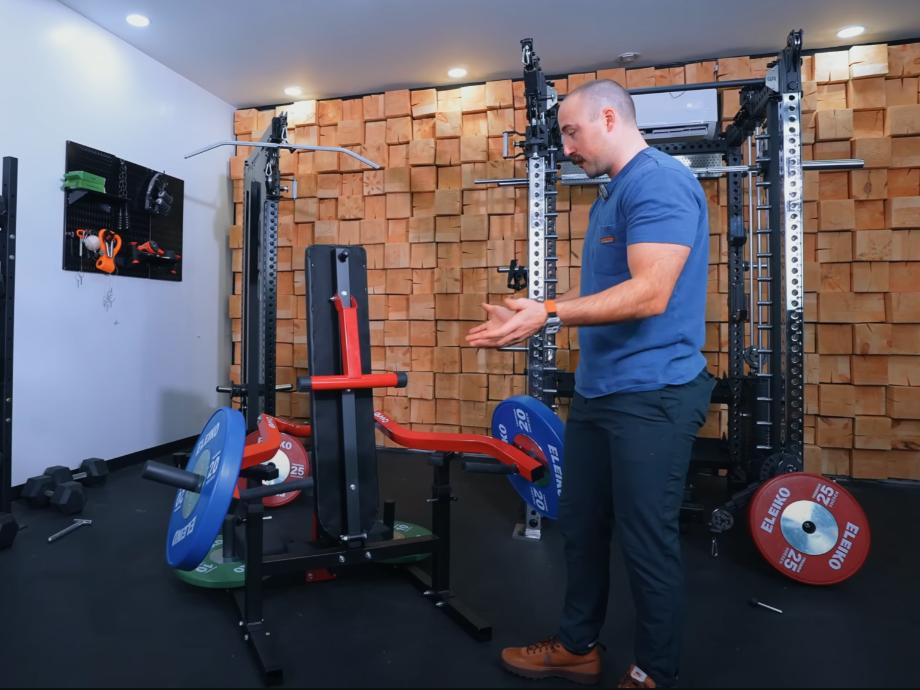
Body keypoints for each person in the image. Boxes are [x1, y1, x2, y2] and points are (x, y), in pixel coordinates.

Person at [466, 79, 715, 689]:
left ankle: (653, 672)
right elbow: (603, 291)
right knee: (580, 524)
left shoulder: (658, 181)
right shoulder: (612, 194)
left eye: (573, 132)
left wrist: (549, 315)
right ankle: (578, 646)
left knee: (645, 538)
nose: (568, 148)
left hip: (653, 394)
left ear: (610, 117)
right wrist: (538, 312)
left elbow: (650, 293)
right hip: (603, 393)